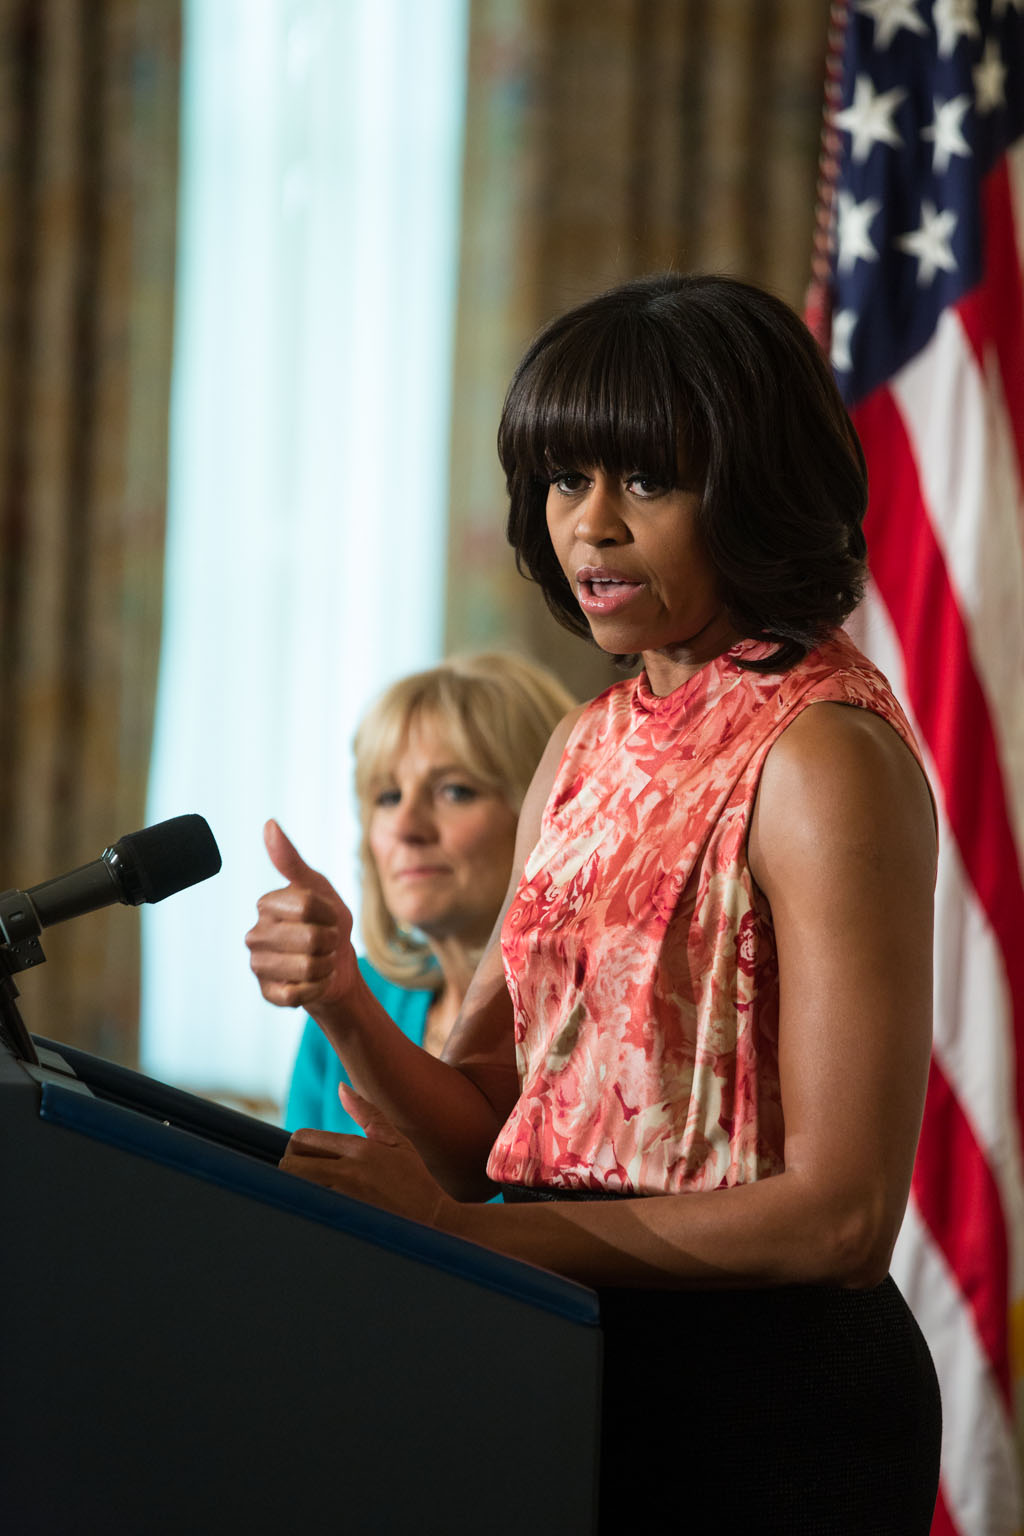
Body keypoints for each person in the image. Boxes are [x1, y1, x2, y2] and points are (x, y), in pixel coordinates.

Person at [246, 273, 941, 1533]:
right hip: (559, 1351)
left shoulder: (822, 754)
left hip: (766, 1406)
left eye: (647, 482)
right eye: (566, 480)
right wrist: (346, 998)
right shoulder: (582, 745)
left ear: (756, 491)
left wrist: (468, 1242)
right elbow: (482, 1134)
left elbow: (840, 1215)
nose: (592, 528)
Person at [269, 652, 575, 1135]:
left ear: (547, 811)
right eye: (388, 797)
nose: (406, 827)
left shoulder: (594, 1024)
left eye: (454, 791)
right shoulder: (353, 993)